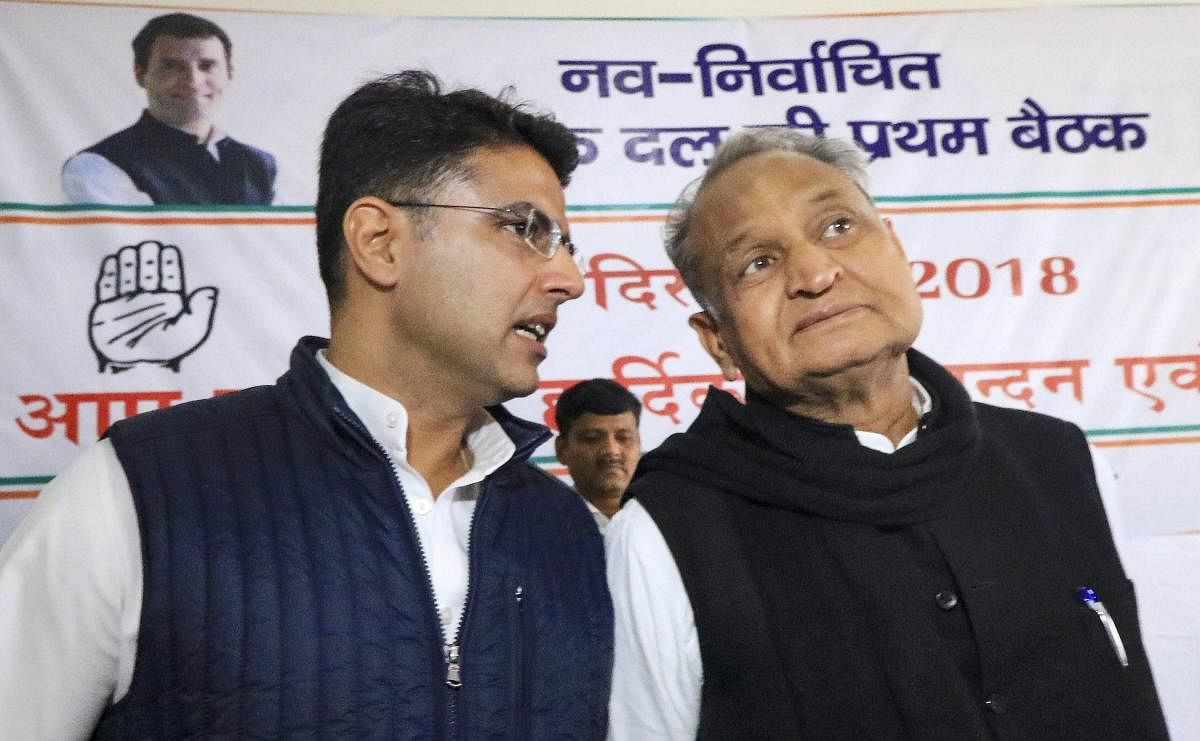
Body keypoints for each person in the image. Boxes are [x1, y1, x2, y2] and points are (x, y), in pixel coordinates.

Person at [1, 70, 612, 738]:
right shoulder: (146, 488)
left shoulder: (566, 529)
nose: (570, 280)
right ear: (380, 242)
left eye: (565, 245)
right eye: (524, 229)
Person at [605, 129, 1168, 740]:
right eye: (758, 263)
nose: (816, 273)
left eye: (837, 227)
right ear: (717, 340)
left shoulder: (1059, 462)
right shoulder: (668, 531)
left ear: (896, 248)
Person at [61, 13, 276, 205]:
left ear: (229, 74)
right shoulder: (97, 167)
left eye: (207, 66)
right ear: (140, 74)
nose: (193, 81)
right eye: (172, 66)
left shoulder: (262, 165)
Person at [554, 378, 643, 532]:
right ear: (562, 449)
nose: (611, 451)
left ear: (639, 445)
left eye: (623, 438)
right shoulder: (541, 523)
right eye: (592, 438)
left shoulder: (664, 517)